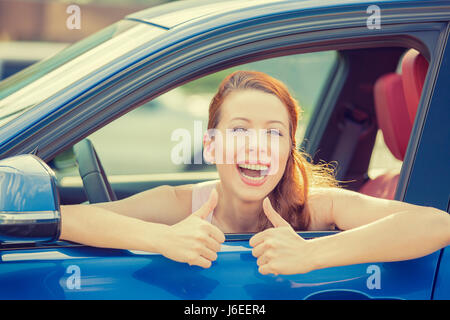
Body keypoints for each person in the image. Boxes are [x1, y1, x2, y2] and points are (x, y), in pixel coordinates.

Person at [59, 70, 450, 275]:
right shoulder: (179, 204)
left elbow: (436, 225)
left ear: (287, 151)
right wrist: (164, 238)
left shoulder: (316, 206)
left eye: (274, 133)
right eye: (240, 129)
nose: (257, 146)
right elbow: (68, 219)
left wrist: (311, 253)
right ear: (210, 145)